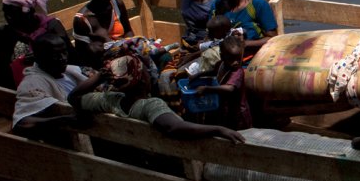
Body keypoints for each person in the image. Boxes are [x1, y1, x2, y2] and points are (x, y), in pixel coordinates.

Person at [68, 53, 244, 143]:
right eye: (146, 72)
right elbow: (175, 127)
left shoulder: (109, 99)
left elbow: (73, 97)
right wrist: (218, 130)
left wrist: (99, 76)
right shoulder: (150, 105)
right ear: (143, 80)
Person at [12, 32, 86, 140]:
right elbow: (22, 123)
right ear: (38, 58)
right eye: (55, 55)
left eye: (64, 52)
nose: (63, 58)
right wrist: (64, 120)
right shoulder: (33, 84)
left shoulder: (71, 71)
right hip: (71, 138)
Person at [74, 0, 135, 69]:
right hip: (99, 63)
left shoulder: (117, 4)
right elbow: (83, 53)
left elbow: (128, 31)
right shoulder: (82, 19)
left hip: (123, 52)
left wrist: (131, 44)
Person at [214, 0, 278, 57]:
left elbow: (273, 38)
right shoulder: (217, 5)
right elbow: (211, 34)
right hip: (225, 58)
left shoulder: (258, 5)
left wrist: (246, 43)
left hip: (253, 58)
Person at [192, 35, 251, 130]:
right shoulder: (220, 64)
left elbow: (230, 88)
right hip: (225, 107)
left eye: (238, 58)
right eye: (231, 59)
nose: (236, 62)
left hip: (237, 111)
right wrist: (197, 75)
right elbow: (214, 72)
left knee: (237, 131)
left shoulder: (237, 72)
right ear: (222, 56)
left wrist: (207, 89)